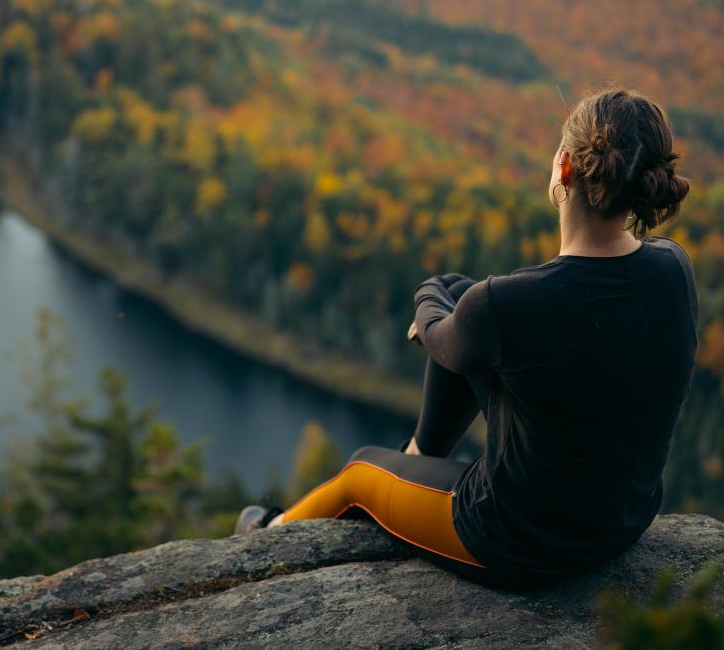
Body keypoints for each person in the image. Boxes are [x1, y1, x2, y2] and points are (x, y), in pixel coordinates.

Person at [236, 88, 698, 590]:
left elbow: (440, 337)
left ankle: (264, 535)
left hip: (519, 542)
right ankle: (417, 455)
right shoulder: (673, 267)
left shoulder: (509, 304)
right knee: (461, 296)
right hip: (622, 523)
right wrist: (450, 307)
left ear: (564, 169)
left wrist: (427, 295)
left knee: (357, 475)